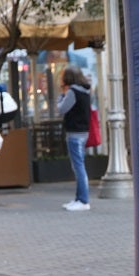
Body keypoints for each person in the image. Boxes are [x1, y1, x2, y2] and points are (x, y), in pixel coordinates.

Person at [57, 65, 92, 212]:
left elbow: (61, 109)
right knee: (79, 165)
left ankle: (83, 200)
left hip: (74, 133)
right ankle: (79, 198)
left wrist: (61, 95)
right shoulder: (85, 91)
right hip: (83, 132)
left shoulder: (72, 92)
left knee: (78, 167)